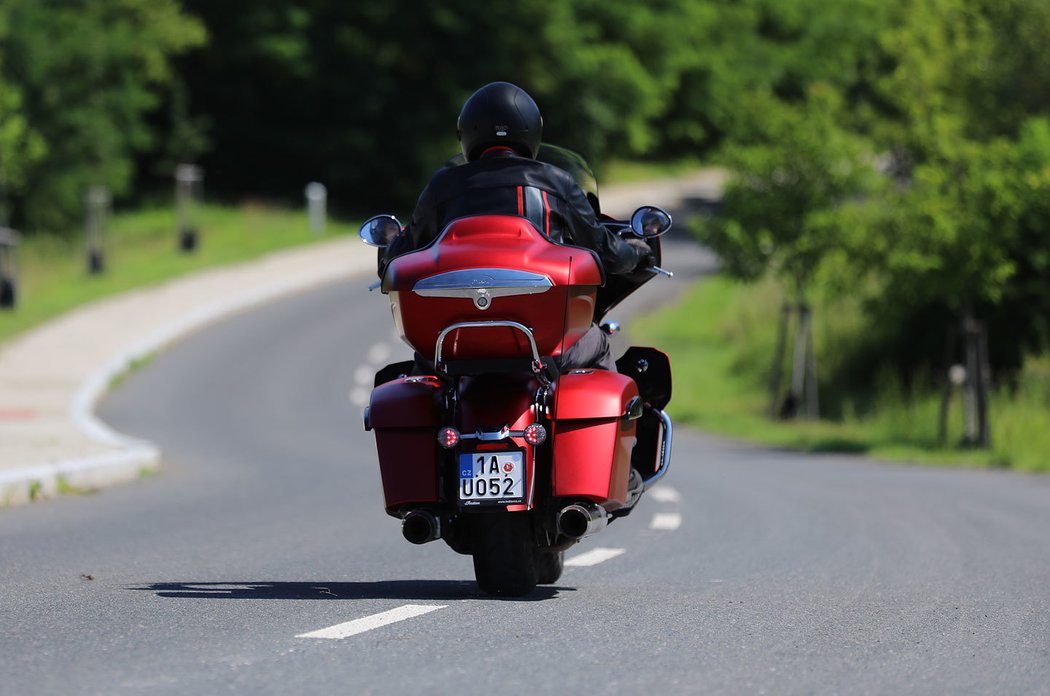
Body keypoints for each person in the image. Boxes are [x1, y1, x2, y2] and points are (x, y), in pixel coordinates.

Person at [379, 81, 652, 371]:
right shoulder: (556, 182)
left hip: (453, 350)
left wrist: (389, 245)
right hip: (549, 350)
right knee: (598, 343)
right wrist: (637, 251)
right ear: (533, 130)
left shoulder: (441, 188)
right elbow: (607, 252)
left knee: (420, 373)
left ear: (466, 133)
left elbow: (397, 258)